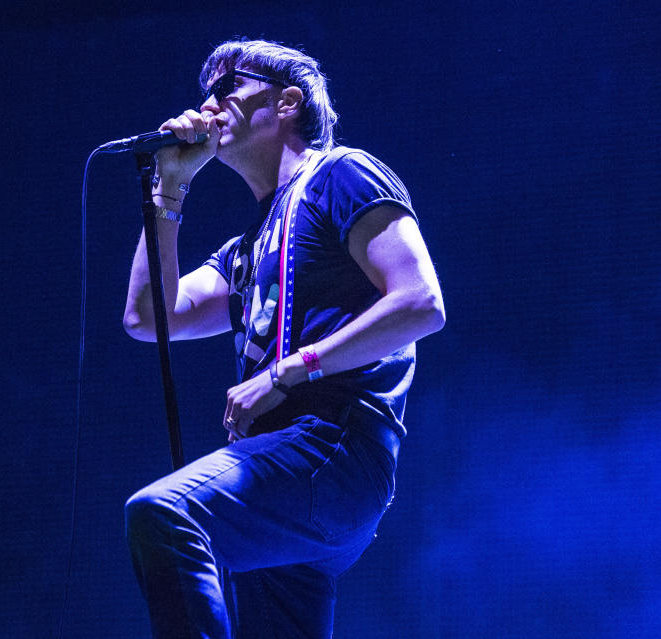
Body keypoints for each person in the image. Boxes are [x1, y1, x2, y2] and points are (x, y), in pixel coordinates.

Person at [122, 39, 445, 638]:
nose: (209, 106)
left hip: (332, 450)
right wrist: (170, 189)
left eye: (226, 90)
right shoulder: (245, 250)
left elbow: (421, 302)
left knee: (166, 513)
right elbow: (149, 318)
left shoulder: (341, 174)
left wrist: (285, 372)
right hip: (286, 475)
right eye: (205, 95)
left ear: (288, 101)